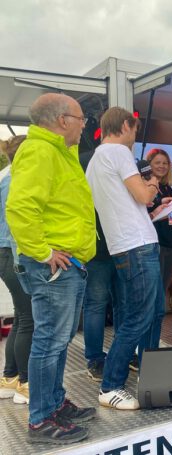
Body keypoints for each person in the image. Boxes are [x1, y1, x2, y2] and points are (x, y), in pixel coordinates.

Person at [7, 93, 96, 443]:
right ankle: (41, 419)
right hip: (54, 268)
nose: (83, 125)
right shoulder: (41, 151)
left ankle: (54, 404)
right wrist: (43, 253)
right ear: (62, 121)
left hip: (68, 264)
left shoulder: (58, 152)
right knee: (49, 342)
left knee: (57, 343)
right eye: (80, 119)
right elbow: (20, 208)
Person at [87, 107, 166, 410]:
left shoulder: (95, 161)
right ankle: (111, 385)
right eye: (134, 129)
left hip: (127, 244)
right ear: (124, 125)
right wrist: (153, 182)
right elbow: (144, 197)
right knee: (137, 318)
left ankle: (150, 370)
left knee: (154, 311)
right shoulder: (118, 152)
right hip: (136, 245)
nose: (135, 135)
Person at [78, 147, 121, 382]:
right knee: (96, 305)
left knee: (116, 305)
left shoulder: (111, 161)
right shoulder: (85, 161)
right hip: (98, 250)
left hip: (119, 247)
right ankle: (95, 359)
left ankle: (117, 353)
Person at [0, 135, 33, 405]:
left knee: (22, 318)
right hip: (12, 252)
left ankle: (10, 377)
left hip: (6, 253)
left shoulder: (5, 176)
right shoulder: (15, 180)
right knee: (29, 319)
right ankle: (25, 382)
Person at [146, 148, 172, 312]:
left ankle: (156, 326)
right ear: (149, 164)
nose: (162, 166)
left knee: (163, 287)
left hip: (171, 244)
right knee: (154, 290)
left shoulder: (167, 187)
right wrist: (159, 204)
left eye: (165, 163)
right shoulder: (146, 187)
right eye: (157, 162)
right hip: (155, 244)